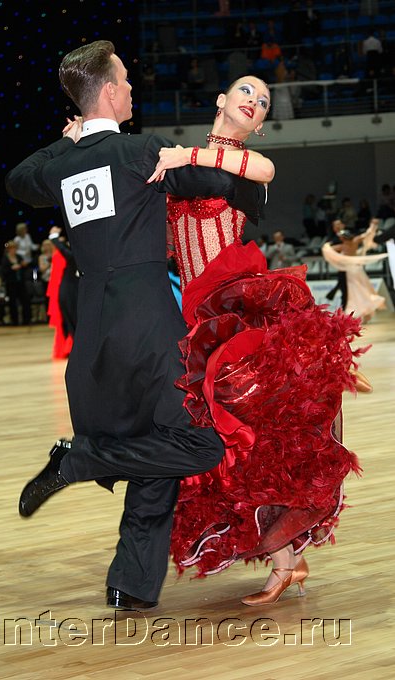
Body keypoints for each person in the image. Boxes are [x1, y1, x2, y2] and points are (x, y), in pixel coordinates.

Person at [5, 40, 265, 611]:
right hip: (148, 324)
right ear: (107, 91)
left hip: (94, 332)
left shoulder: (62, 166)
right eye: (123, 80)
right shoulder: (141, 151)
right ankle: (79, 461)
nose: (129, 88)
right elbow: (219, 186)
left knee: (156, 443)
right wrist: (249, 189)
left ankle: (132, 581)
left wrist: (67, 140)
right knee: (199, 445)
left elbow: (17, 180)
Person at [148, 75, 368, 605]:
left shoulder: (242, 165)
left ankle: (286, 557)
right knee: (235, 443)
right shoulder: (179, 167)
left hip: (234, 308)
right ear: (220, 100)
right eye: (246, 91)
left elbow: (265, 170)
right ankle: (287, 559)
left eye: (263, 101)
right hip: (194, 317)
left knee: (250, 435)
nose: (254, 101)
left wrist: (183, 155)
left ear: (262, 124)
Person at [322, 221, 388, 323]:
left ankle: (356, 312)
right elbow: (366, 234)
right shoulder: (355, 241)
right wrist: (373, 227)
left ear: (343, 238)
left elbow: (327, 250)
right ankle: (364, 311)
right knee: (362, 289)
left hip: (350, 271)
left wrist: (327, 245)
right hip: (358, 270)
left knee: (355, 292)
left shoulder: (342, 246)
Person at [46, 226, 79, 359]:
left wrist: (54, 238)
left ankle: (73, 347)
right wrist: (54, 238)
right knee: (69, 320)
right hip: (68, 290)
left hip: (70, 289)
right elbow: (66, 253)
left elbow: (68, 254)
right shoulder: (69, 253)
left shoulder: (74, 253)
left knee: (71, 320)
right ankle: (73, 347)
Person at [0, 241, 32, 326]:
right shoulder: (5, 259)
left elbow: (24, 267)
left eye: (15, 248)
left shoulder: (19, 257)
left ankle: (26, 320)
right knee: (13, 303)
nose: (14, 250)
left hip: (20, 282)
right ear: (9, 249)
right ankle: (15, 321)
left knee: (25, 301)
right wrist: (12, 268)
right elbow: (3, 272)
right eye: (12, 248)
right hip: (11, 283)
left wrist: (23, 265)